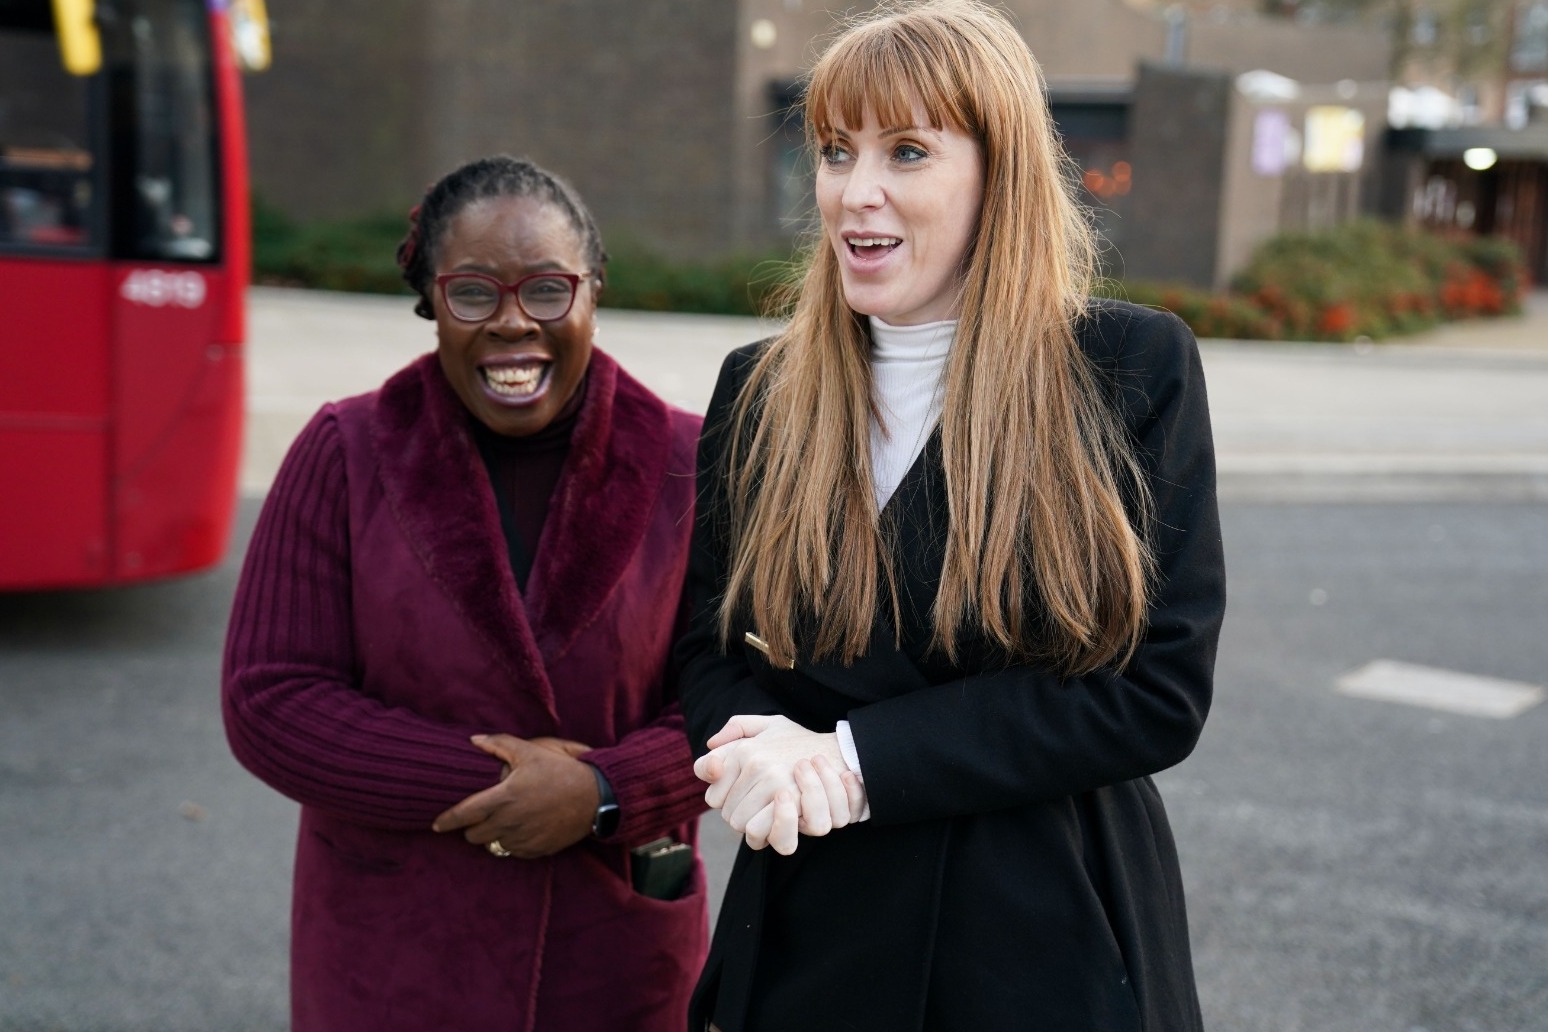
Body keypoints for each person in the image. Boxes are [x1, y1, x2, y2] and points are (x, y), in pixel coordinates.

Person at [677, 3, 1227, 1030]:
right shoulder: (759, 389)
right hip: (813, 924)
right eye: (836, 151)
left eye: (908, 151)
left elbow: (1156, 689)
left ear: (998, 174)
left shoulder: (1126, 367)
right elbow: (708, 649)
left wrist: (858, 761)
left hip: (1046, 930)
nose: (856, 189)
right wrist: (758, 757)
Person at [222, 155, 708, 1032]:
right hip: (394, 959)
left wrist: (603, 791)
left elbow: (741, 702)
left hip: (612, 959)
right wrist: (504, 787)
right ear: (432, 303)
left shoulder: (693, 465)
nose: (513, 322)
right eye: (474, 293)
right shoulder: (343, 452)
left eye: (548, 290)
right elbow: (271, 700)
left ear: (594, 290)